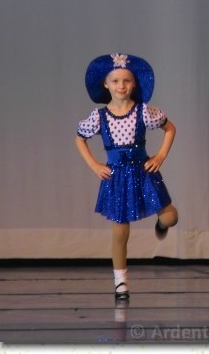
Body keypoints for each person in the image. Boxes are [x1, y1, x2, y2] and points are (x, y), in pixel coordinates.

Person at [75, 53, 179, 301]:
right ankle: (121, 281)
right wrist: (94, 165)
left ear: (134, 84)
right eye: (115, 81)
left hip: (143, 173)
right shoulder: (99, 117)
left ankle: (161, 224)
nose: (121, 86)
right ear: (106, 84)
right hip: (117, 178)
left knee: (171, 217)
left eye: (126, 81)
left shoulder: (143, 112)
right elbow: (80, 139)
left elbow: (170, 128)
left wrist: (160, 156)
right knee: (120, 233)